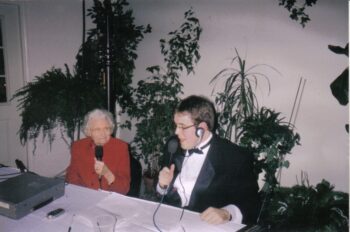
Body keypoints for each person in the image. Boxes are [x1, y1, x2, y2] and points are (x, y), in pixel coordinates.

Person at [157, 95, 259, 225]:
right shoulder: (173, 145)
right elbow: (163, 190)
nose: (177, 132)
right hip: (167, 221)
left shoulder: (235, 157)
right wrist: (162, 185)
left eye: (182, 126)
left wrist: (227, 213)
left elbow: (251, 204)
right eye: (176, 125)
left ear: (202, 129)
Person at [66, 109, 130, 194]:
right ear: (89, 131)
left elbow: (124, 188)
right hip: (83, 195)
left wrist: (107, 173)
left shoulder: (121, 148)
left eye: (106, 128)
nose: (103, 134)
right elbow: (72, 175)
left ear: (111, 129)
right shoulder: (78, 146)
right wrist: (83, 193)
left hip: (109, 198)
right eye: (97, 129)